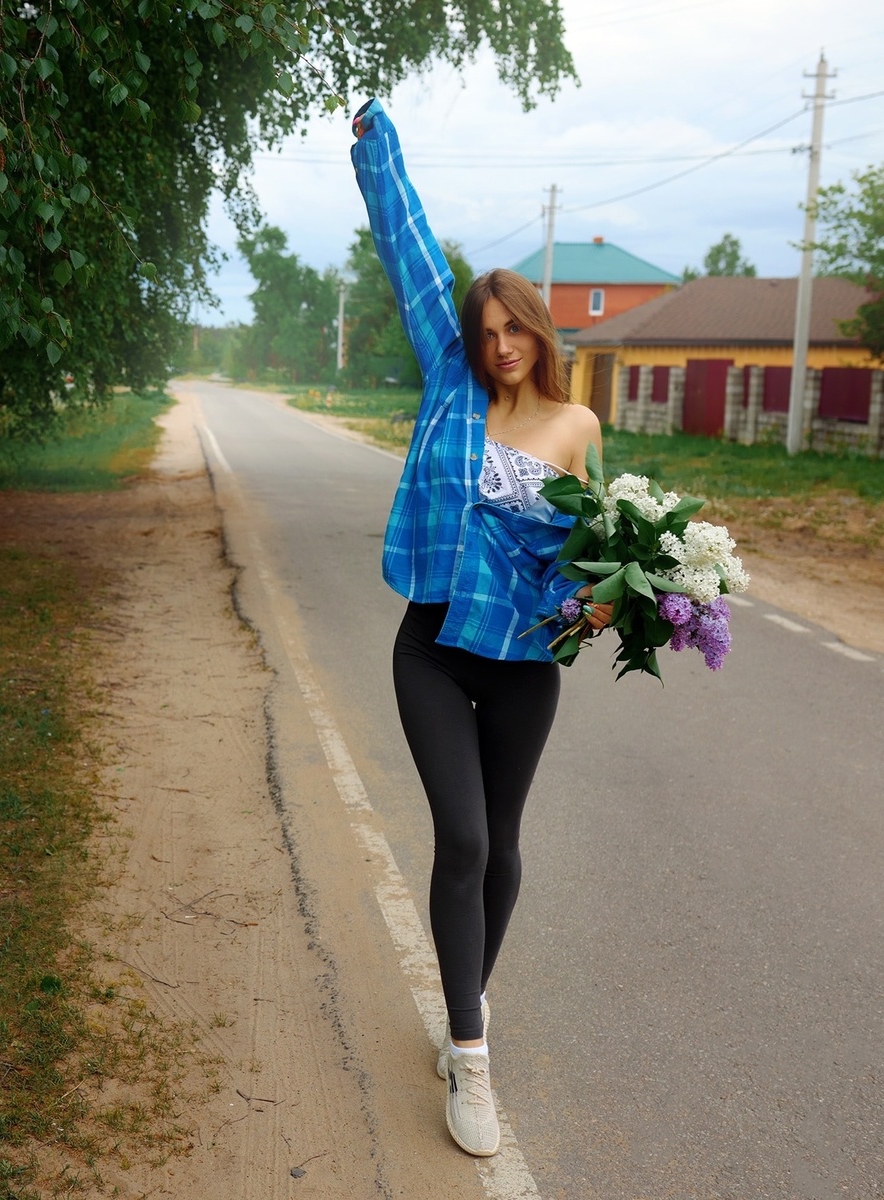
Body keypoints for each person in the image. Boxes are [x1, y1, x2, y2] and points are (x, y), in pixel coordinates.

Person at [349, 98, 610, 1158]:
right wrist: (377, 150)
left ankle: (468, 996)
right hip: (431, 646)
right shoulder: (451, 385)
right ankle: (471, 1057)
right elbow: (411, 252)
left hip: (522, 670)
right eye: (485, 329)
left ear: (541, 332)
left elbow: (584, 558)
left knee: (503, 850)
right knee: (460, 836)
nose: (499, 345)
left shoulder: (576, 426)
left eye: (515, 328)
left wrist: (599, 603)